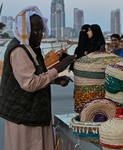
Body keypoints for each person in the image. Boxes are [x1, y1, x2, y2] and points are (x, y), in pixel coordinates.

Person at [0, 6, 76, 150]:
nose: (41, 35)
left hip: (33, 113)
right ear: (26, 30)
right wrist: (58, 69)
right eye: (36, 31)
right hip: (25, 117)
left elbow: (34, 75)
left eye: (42, 30)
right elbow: (30, 83)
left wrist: (54, 80)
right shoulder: (19, 50)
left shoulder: (30, 47)